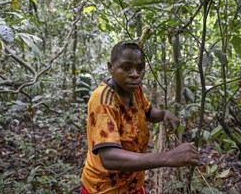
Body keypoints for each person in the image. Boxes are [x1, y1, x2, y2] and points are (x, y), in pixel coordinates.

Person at [81, 41, 199, 194]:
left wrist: (163, 115)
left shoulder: (134, 89)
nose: (135, 74)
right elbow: (109, 157)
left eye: (140, 68)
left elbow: (147, 111)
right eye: (126, 67)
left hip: (133, 185)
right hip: (105, 189)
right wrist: (169, 157)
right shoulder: (103, 101)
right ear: (111, 67)